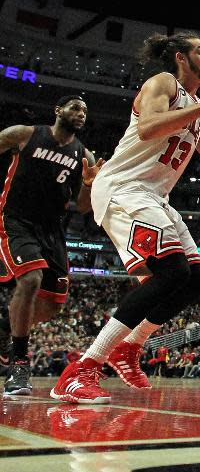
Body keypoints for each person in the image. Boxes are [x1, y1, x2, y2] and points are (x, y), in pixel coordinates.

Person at [51, 32, 200, 404]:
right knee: (172, 272)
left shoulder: (196, 107)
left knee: (196, 279)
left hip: (154, 197)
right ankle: (81, 369)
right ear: (180, 58)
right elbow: (150, 126)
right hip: (124, 188)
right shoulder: (163, 83)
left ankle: (129, 347)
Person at [0, 95, 102, 397]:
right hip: (15, 219)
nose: (80, 113)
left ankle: (7, 326)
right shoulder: (26, 134)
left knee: (53, 306)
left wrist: (87, 182)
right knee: (30, 279)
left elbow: (84, 208)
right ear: (58, 110)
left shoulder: (84, 154)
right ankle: (19, 363)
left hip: (52, 230)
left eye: (85, 110)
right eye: (74, 107)